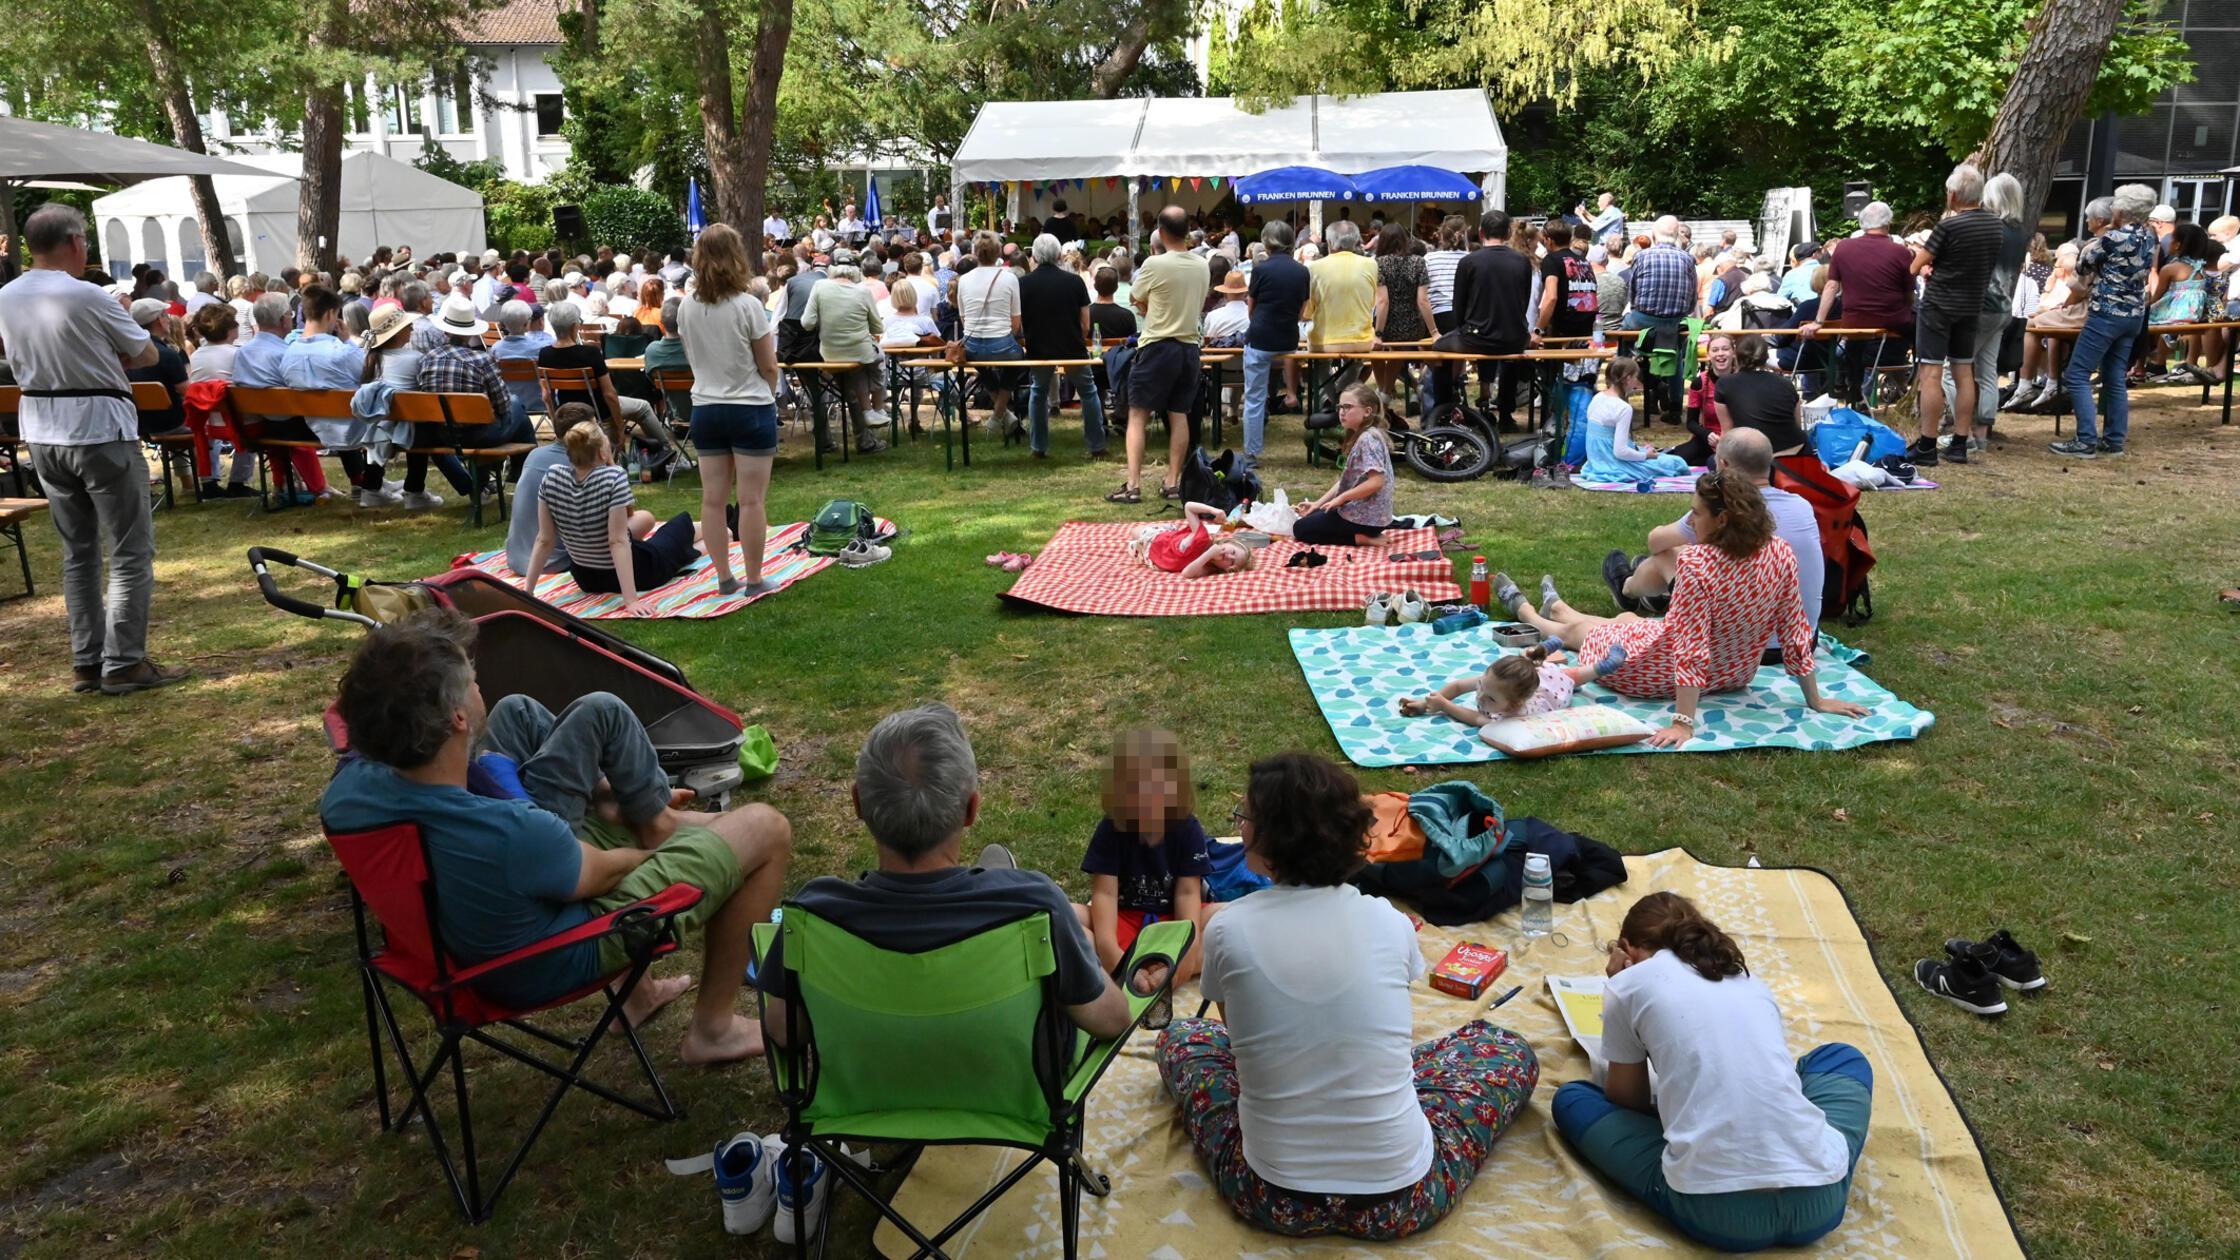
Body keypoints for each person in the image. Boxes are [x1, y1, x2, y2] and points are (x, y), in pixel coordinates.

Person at [319, 607, 791, 1064]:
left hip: (454, 952)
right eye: (472, 679)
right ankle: (714, 1029)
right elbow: (603, 874)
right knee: (765, 828)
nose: (480, 684)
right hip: (553, 952)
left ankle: (638, 994)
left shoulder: (347, 796)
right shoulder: (511, 831)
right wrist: (645, 848)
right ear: (458, 717)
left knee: (516, 714)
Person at [1155, 751, 1538, 1240]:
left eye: (1244, 817)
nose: (1239, 827)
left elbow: (1238, 1041)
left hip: (1272, 1196)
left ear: (1271, 837)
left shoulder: (1228, 928)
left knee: (1184, 1036)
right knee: (1506, 1048)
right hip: (1403, 1200)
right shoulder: (1390, 923)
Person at [1552, 892, 1872, 1252]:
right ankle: (1819, 1154)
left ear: (1625, 949)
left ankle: (1698, 1161)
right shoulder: (1748, 980)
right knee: (1840, 1057)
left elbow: (1629, 1099)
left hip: (1718, 1212)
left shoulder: (1627, 983)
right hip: (1819, 1202)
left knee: (1572, 1098)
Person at [1494, 467, 1868, 746]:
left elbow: (1690, 649)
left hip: (1649, 673)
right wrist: (1814, 699)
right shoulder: (1779, 552)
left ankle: (1529, 614)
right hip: (1734, 673)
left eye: (1695, 513)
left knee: (1600, 634)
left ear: (1721, 519)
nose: (1690, 520)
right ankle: (1559, 609)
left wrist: (1682, 722)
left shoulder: (1698, 563)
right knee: (1626, 619)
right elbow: (1795, 630)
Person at [0, 205, 188, 695]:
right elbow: (146, 352)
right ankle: (124, 661)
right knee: (129, 551)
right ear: (75, 243)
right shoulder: (87, 295)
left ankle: (87, 659)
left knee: (77, 552)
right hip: (100, 428)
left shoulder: (6, 296)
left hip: (41, 430)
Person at [1607, 428, 1824, 632]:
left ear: (1723, 464)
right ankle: (1654, 592)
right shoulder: (1802, 507)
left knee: (1671, 554)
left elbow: (1657, 541)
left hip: (1740, 643)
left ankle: (1628, 590)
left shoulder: (1722, 507)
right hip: (1800, 638)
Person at [674, 224, 784, 599]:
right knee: (752, 499)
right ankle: (754, 580)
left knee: (712, 498)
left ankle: (724, 578)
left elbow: (692, 357)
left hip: (706, 405)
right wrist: (768, 395)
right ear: (736, 256)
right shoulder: (748, 305)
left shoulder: (687, 306)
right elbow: (768, 364)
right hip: (748, 405)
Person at [1069, 728, 1223, 986]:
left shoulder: (1187, 827)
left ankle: (1163, 973)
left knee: (1228, 916)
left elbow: (1187, 894)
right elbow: (1104, 895)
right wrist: (1111, 954)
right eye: (1136, 790)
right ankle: (1130, 971)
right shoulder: (1112, 827)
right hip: (1124, 920)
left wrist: (1186, 951)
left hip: (1171, 922)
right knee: (1064, 915)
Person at [521, 418, 700, 616]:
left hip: (586, 578)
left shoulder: (552, 476)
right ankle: (724, 527)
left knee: (672, 541)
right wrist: (630, 600)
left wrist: (527, 591)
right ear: (601, 452)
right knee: (682, 523)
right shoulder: (613, 478)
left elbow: (544, 539)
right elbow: (617, 541)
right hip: (640, 572)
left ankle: (724, 531)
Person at [1107, 207, 1210, 504]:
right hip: (1189, 347)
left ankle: (1133, 484)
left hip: (1157, 346)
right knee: (1179, 415)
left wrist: (1152, 312)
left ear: (1161, 233)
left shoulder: (1154, 264)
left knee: (1138, 414)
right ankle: (1172, 481)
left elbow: (1135, 297)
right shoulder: (1201, 265)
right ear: (1187, 231)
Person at [1903, 163, 2003, 467]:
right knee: (1964, 372)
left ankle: (1927, 444)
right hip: (1972, 304)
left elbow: (1915, 265)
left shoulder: (1949, 226)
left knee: (1931, 372)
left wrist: (1930, 267)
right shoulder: (1995, 225)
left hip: (1939, 305)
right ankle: (1960, 442)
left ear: (1954, 194)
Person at [2051, 183, 2157, 459]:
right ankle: (2114, 441)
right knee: (2114, 376)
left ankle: (2085, 440)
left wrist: (2099, 243)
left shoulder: (2111, 239)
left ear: (2122, 209)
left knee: (2076, 374)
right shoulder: (2149, 236)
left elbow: (2083, 266)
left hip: (2107, 313)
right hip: (2134, 314)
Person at [1938, 173, 2031, 454]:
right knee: (1987, 373)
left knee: (1949, 371)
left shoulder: (1991, 230)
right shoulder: (2020, 233)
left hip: (1979, 306)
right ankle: (1981, 435)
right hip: (2003, 307)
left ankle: (1962, 435)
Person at [415, 293, 537, 484]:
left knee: (513, 406)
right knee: (515, 404)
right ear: (471, 332)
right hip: (479, 435)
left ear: (445, 331)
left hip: (443, 434)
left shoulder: (428, 359)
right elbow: (503, 405)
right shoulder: (481, 360)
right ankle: (520, 470)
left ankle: (505, 473)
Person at [1804, 202, 1914, 407]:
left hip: (1854, 320)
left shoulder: (1843, 247)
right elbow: (1909, 293)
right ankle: (1918, 382)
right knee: (1921, 333)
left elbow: (1831, 286)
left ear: (1862, 224)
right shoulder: (1900, 252)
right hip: (1894, 318)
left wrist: (1819, 321)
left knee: (1854, 339)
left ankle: (1853, 389)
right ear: (1888, 224)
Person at [1434, 209, 1537, 428]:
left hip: (1476, 336)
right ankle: (1506, 414)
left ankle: (1444, 409)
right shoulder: (1522, 261)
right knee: (1510, 356)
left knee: (1437, 349)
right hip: (1515, 337)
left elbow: (1458, 306)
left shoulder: (1469, 261)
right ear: (1508, 233)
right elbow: (1524, 301)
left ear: (1481, 233)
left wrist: (1462, 328)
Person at [538, 303, 670, 462]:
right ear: (574, 326)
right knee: (643, 406)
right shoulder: (590, 354)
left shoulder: (545, 354)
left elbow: (546, 396)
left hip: (567, 411)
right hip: (598, 411)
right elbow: (609, 394)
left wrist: (557, 423)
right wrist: (619, 426)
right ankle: (666, 451)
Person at [1398, 640, 1627, 727]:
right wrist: (1424, 703)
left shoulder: (1513, 714)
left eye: (1489, 699)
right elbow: (1458, 686)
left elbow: (1478, 719)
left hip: (1554, 688)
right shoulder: (1493, 684)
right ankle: (1543, 650)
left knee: (1569, 677)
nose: (1480, 697)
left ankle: (1601, 667)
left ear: (1513, 704)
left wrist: (1445, 706)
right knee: (1529, 663)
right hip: (1534, 675)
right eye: (1481, 688)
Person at [1019, 233, 1107, 459]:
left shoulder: (1024, 284)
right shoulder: (1075, 282)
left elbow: (1020, 320)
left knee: (1038, 392)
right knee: (1088, 392)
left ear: (1035, 256)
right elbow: (1085, 324)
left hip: (1038, 347)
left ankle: (1038, 446)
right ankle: (1096, 445)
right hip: (1072, 346)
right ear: (1059, 255)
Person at [800, 248, 892, 453]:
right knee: (877, 358)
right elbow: (878, 328)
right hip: (860, 354)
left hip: (830, 354)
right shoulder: (862, 291)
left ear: (831, 268)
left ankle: (868, 422)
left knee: (853, 380)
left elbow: (807, 323)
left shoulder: (819, 287)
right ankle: (876, 408)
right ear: (854, 269)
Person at [1240, 221, 1308, 475]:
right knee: (1288, 361)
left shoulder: (1260, 270)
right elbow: (1302, 309)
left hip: (1260, 336)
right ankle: (1292, 392)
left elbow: (1251, 307)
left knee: (1255, 397)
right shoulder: (1302, 271)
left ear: (1267, 242)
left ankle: (1252, 453)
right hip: (1288, 336)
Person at [1295, 382, 1394, 546]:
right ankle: (1362, 535)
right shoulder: (1366, 435)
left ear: (1367, 411)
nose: (1342, 412)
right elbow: (1346, 482)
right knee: (1312, 515)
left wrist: (1341, 498)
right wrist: (1317, 504)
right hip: (1373, 518)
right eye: (1340, 407)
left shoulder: (1367, 439)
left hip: (1367, 520)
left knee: (1301, 529)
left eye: (1348, 407)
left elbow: (1376, 482)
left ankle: (1363, 539)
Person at [956, 231, 1029, 440]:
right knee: (1017, 359)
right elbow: (1016, 322)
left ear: (974, 253)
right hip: (1002, 342)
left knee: (981, 364)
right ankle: (1000, 414)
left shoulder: (964, 280)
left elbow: (964, 319)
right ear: (998, 252)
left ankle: (1001, 414)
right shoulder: (1010, 278)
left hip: (972, 345)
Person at [1580, 357, 1688, 484]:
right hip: (1613, 462)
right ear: (1628, 379)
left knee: (1651, 452)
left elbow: (1605, 438)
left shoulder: (1597, 397)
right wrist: (1645, 455)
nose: (1637, 382)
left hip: (1597, 460)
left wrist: (1638, 449)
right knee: (1677, 463)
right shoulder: (1623, 408)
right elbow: (1620, 451)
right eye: (1636, 377)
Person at [1711, 337, 1807, 455]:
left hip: (1758, 456)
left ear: (1736, 355)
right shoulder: (1786, 384)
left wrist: (1721, 464)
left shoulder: (1724, 384)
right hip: (1797, 451)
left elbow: (1727, 432)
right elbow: (1797, 424)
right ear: (1766, 356)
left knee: (1712, 461)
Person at [1371, 222, 1433, 400]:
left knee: (1375, 349)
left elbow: (1383, 302)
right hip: (1414, 324)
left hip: (1387, 323)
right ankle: (1384, 391)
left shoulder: (1378, 264)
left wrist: (1379, 332)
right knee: (1398, 348)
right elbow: (1423, 300)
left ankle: (1383, 391)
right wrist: (1434, 331)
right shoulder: (1418, 262)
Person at [1126, 500, 1259, 578]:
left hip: (1156, 556)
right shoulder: (1202, 537)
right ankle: (1167, 528)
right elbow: (1189, 506)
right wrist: (1214, 510)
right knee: (1134, 531)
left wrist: (1209, 555)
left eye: (1231, 562)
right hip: (1157, 539)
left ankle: (1171, 530)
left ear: (1228, 570)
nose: (1228, 556)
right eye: (1233, 552)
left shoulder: (1208, 568)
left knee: (1135, 535)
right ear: (1228, 542)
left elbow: (1186, 573)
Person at [1305, 220, 1377, 355]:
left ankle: (1326, 376)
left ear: (1330, 242)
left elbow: (1308, 310)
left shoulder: (1314, 267)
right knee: (1356, 362)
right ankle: (1352, 375)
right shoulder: (1371, 264)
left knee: (1319, 366)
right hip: (1363, 341)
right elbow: (1372, 302)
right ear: (1356, 241)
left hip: (1323, 342)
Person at [124, 299, 189, 437]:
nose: (169, 320)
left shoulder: (125, 354)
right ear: (159, 320)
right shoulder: (168, 354)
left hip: (138, 424)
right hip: (172, 423)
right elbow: (187, 391)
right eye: (166, 315)